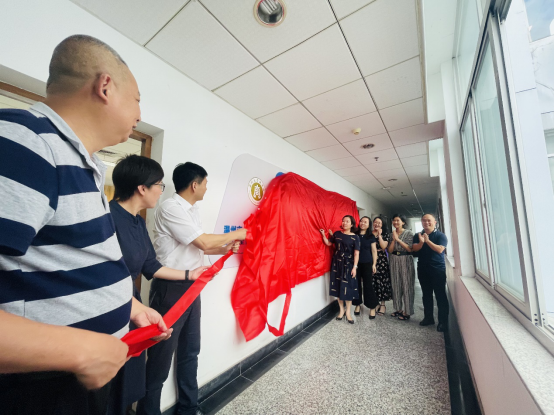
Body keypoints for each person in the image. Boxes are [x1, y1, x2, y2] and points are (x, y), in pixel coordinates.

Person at [0, 35, 171, 415]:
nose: (139, 113)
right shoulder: (25, 142)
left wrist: (129, 306)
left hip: (75, 378)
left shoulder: (83, 163)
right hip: (38, 386)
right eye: (137, 99)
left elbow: (69, 261)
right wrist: (80, 348)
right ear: (105, 86)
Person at [107, 155, 221, 415]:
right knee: (131, 368)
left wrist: (190, 274)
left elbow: (151, 265)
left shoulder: (138, 221)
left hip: (142, 299)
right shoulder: (109, 217)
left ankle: (187, 407)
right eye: (159, 184)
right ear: (142, 188)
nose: (161, 190)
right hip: (118, 302)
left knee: (182, 353)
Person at [138, 162, 248, 416]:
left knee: (190, 351)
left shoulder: (192, 210)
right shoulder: (171, 208)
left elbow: (199, 246)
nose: (207, 188)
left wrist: (225, 247)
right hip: (170, 289)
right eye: (206, 183)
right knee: (160, 359)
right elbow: (203, 241)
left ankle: (188, 408)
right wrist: (240, 233)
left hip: (192, 287)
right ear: (194, 185)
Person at [412, 214, 450, 332]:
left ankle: (443, 322)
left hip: (437, 270)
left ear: (435, 222)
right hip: (423, 269)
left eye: (429, 220)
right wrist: (421, 242)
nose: (426, 222)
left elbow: (440, 250)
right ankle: (428, 318)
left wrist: (427, 241)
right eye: (423, 220)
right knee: (426, 294)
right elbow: (414, 249)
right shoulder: (418, 235)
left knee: (440, 295)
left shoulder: (440, 235)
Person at [320, 215, 361, 325]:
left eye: (347, 221)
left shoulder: (355, 237)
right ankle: (341, 310)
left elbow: (356, 253)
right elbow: (329, 243)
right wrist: (323, 234)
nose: (344, 223)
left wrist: (355, 267)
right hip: (337, 263)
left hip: (349, 264)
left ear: (352, 224)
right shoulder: (337, 234)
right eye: (343, 221)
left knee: (348, 287)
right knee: (338, 286)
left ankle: (348, 312)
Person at [388, 214, 416, 322]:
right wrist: (393, 240)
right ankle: (398, 309)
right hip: (394, 259)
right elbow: (390, 250)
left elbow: (410, 249)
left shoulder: (409, 233)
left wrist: (398, 240)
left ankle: (407, 311)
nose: (395, 222)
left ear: (403, 222)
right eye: (394, 220)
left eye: (398, 220)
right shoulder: (391, 234)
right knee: (396, 284)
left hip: (405, 259)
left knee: (407, 285)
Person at [353, 217, 379, 320]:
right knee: (356, 285)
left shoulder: (371, 236)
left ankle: (372, 306)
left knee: (368, 285)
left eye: (365, 222)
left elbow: (374, 251)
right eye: (361, 221)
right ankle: (357, 304)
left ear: (369, 225)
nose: (362, 223)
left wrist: (374, 264)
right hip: (356, 264)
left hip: (367, 263)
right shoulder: (355, 235)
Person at [371, 217, 393, 316]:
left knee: (382, 281)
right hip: (370, 258)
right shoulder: (369, 234)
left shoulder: (385, 234)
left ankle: (383, 304)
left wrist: (379, 236)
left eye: (379, 223)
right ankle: (376, 303)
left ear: (382, 224)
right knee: (373, 281)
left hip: (381, 260)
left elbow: (384, 246)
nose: (377, 224)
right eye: (375, 222)